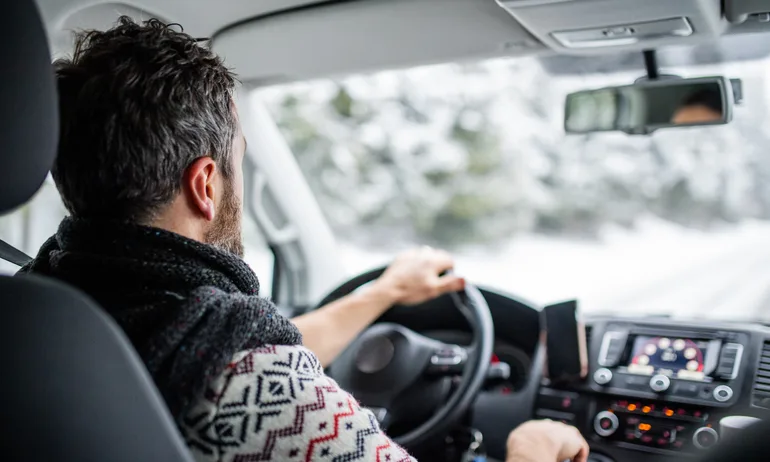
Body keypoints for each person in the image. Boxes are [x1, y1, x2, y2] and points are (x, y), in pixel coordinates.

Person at [20, 16, 589, 462]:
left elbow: (224, 346)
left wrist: (383, 293)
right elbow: (252, 371)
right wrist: (528, 449)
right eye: (238, 161)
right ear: (205, 184)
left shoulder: (44, 309)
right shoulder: (257, 388)